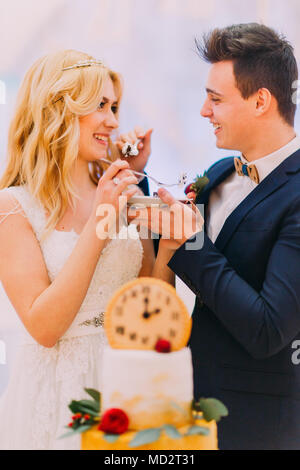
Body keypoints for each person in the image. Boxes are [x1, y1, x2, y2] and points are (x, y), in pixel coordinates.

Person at [132, 23, 300, 449]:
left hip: (259, 423)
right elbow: (172, 249)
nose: (204, 111)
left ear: (261, 100)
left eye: (215, 99)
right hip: (192, 402)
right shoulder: (218, 174)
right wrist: (138, 183)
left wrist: (194, 241)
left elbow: (267, 329)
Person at [0, 49, 173, 450]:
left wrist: (170, 248)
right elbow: (44, 328)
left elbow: (146, 296)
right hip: (59, 390)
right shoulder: (13, 206)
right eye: (99, 105)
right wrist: (101, 221)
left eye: (114, 106)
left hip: (127, 378)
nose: (113, 121)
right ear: (58, 109)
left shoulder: (118, 191)